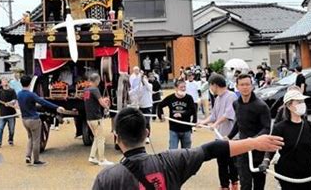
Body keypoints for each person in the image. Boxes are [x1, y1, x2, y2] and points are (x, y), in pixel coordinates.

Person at [92, 107, 284, 190]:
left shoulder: (107, 178)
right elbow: (212, 149)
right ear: (147, 133)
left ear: (116, 138)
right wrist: (254, 143)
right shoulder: (171, 161)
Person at [260, 89, 311, 190]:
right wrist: (266, 161)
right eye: (298, 102)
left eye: (302, 101)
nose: (302, 104)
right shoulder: (280, 128)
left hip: (308, 174)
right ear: (289, 106)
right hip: (287, 175)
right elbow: (271, 148)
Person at [227, 74, 271, 190]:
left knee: (259, 184)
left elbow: (267, 128)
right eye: (242, 85)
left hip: (259, 149)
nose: (245, 87)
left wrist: (254, 140)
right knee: (245, 183)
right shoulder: (236, 104)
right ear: (237, 86)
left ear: (252, 86)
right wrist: (229, 136)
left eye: (247, 84)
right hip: (243, 149)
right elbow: (238, 122)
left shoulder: (261, 106)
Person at [198, 73, 239, 190]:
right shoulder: (217, 99)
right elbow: (213, 115)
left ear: (215, 85)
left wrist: (215, 124)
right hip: (219, 137)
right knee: (221, 163)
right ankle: (224, 186)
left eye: (211, 86)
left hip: (230, 136)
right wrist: (203, 122)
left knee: (232, 163)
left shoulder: (231, 96)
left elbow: (228, 114)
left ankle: (235, 183)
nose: (210, 89)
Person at [17, 75, 65, 166]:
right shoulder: (31, 95)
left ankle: (28, 156)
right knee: (36, 140)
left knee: (30, 138)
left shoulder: (19, 94)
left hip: (24, 119)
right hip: (34, 119)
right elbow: (42, 102)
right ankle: (36, 160)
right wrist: (56, 107)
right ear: (30, 83)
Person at [83, 73, 113, 166]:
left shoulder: (86, 90)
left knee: (97, 137)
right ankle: (102, 159)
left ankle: (92, 157)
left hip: (89, 118)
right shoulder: (95, 90)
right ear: (97, 80)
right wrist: (107, 106)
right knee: (101, 138)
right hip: (96, 117)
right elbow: (101, 102)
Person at [158, 80, 196, 149]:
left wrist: (192, 121)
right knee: (172, 151)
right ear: (176, 88)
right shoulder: (170, 98)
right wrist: (161, 114)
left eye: (184, 87)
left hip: (186, 129)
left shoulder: (189, 98)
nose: (183, 89)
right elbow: (160, 105)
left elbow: (193, 111)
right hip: (174, 129)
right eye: (181, 87)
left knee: (186, 152)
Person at [129, 72, 153, 144]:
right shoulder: (139, 87)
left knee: (147, 122)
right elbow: (131, 92)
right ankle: (140, 135)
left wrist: (144, 79)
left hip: (148, 106)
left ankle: (147, 137)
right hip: (141, 107)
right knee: (140, 121)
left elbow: (148, 87)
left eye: (145, 78)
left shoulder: (149, 86)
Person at [0, 77, 18, 148]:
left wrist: (9, 103)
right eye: (3, 81)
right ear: (2, 83)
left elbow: (14, 100)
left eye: (6, 80)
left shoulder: (12, 91)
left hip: (11, 113)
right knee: (0, 128)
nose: (5, 82)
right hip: (3, 114)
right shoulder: (0, 91)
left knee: (12, 129)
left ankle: (10, 139)